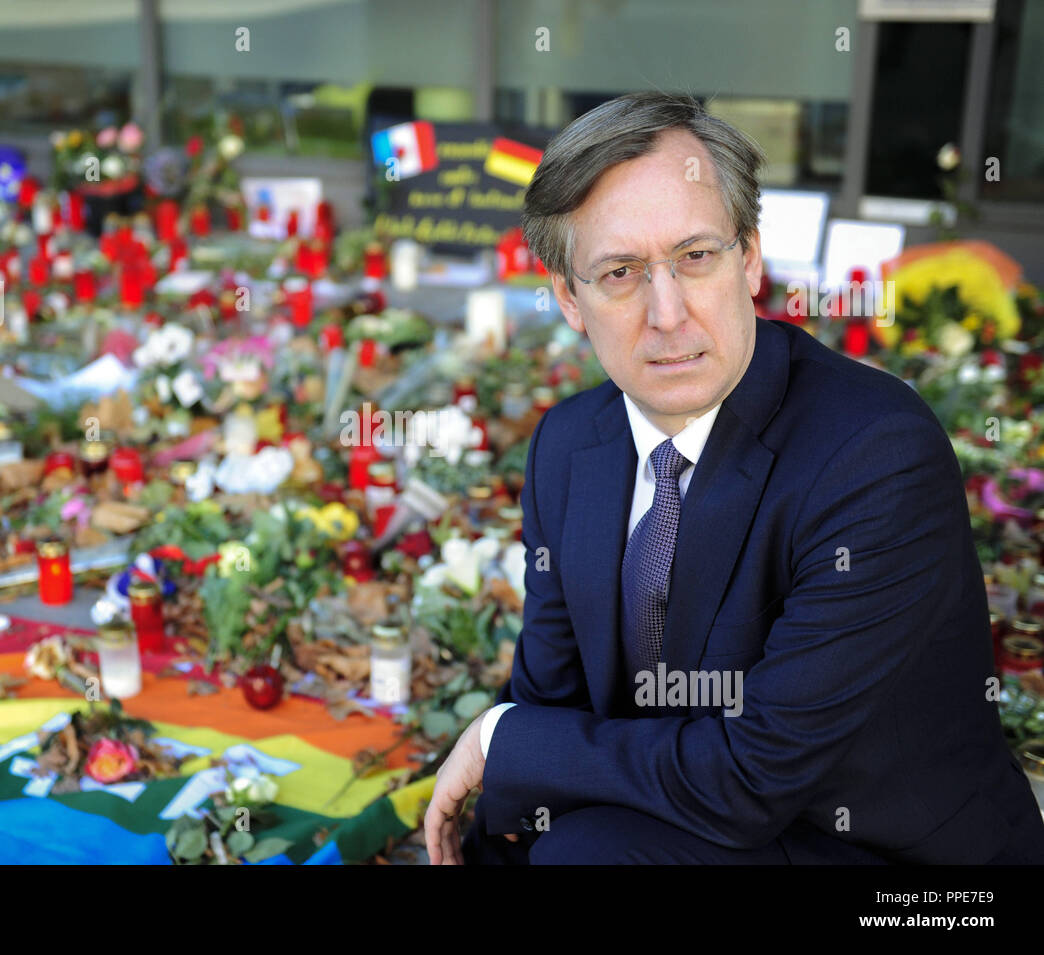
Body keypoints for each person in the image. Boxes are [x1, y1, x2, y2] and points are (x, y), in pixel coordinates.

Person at [424, 92, 1044, 865]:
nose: (668, 312)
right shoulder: (569, 443)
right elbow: (555, 703)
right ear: (567, 299)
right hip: (681, 814)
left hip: (895, 868)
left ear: (749, 257)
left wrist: (496, 736)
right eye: (619, 272)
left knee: (585, 856)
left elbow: (755, 772)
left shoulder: (875, 453)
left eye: (695, 256)